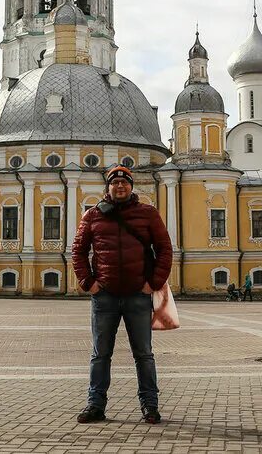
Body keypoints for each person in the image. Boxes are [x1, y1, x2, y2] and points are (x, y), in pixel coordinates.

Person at [72, 165, 173, 425]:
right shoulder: (93, 215)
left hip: (138, 294)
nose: (120, 186)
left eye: (125, 182)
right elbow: (78, 250)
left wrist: (153, 283)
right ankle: (95, 405)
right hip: (104, 295)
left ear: (131, 186)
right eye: (115, 182)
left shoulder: (147, 214)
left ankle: (150, 406)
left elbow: (164, 248)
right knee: (100, 354)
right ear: (108, 187)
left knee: (144, 354)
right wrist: (89, 283)